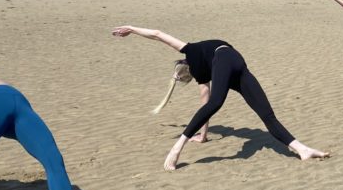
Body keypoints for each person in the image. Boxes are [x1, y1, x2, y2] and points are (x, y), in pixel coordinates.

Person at [111, 26, 330, 170]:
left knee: (246, 108)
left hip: (226, 58)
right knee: (267, 115)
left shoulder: (191, 51)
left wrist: (131, 29)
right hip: (238, 63)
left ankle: (176, 148)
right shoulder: (204, 75)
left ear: (183, 65)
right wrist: (203, 136)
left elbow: (158, 34)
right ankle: (302, 149)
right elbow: (206, 107)